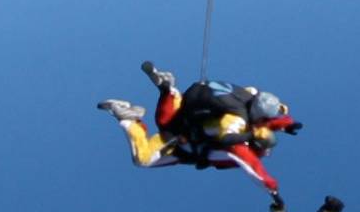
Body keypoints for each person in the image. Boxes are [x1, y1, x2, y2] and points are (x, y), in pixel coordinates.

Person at [97, 60, 300, 191]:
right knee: (143, 159)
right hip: (180, 143)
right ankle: (129, 118)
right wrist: (271, 186)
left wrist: (287, 123)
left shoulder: (249, 95)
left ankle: (168, 89)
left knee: (166, 119)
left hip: (183, 112)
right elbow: (253, 167)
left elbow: (271, 116)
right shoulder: (238, 136)